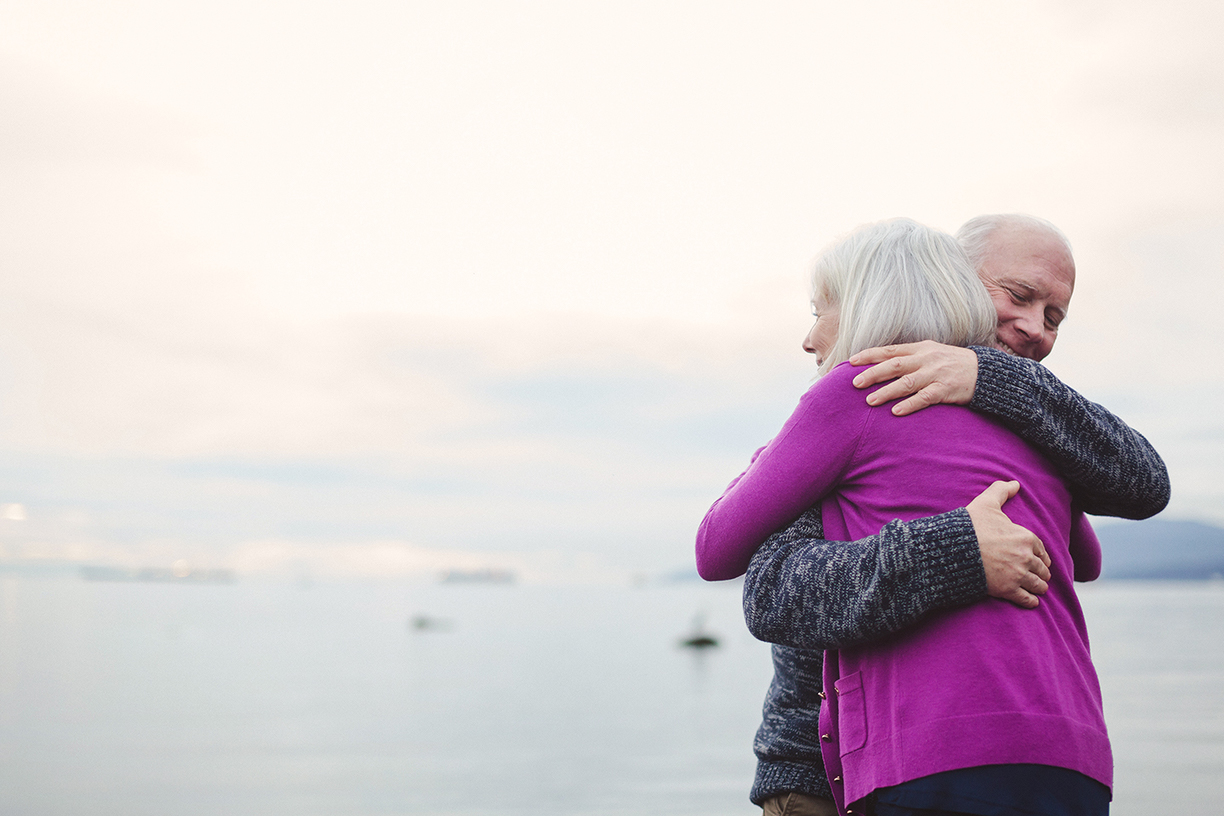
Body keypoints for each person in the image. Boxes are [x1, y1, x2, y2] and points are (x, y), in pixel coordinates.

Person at [695, 218, 1162, 816]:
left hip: (919, 750)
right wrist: (960, 547)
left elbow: (726, 559)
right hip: (1066, 749)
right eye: (1019, 296)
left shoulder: (862, 393)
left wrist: (991, 379)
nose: (1035, 328)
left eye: (1053, 317)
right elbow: (1083, 556)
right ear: (952, 281)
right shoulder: (1021, 435)